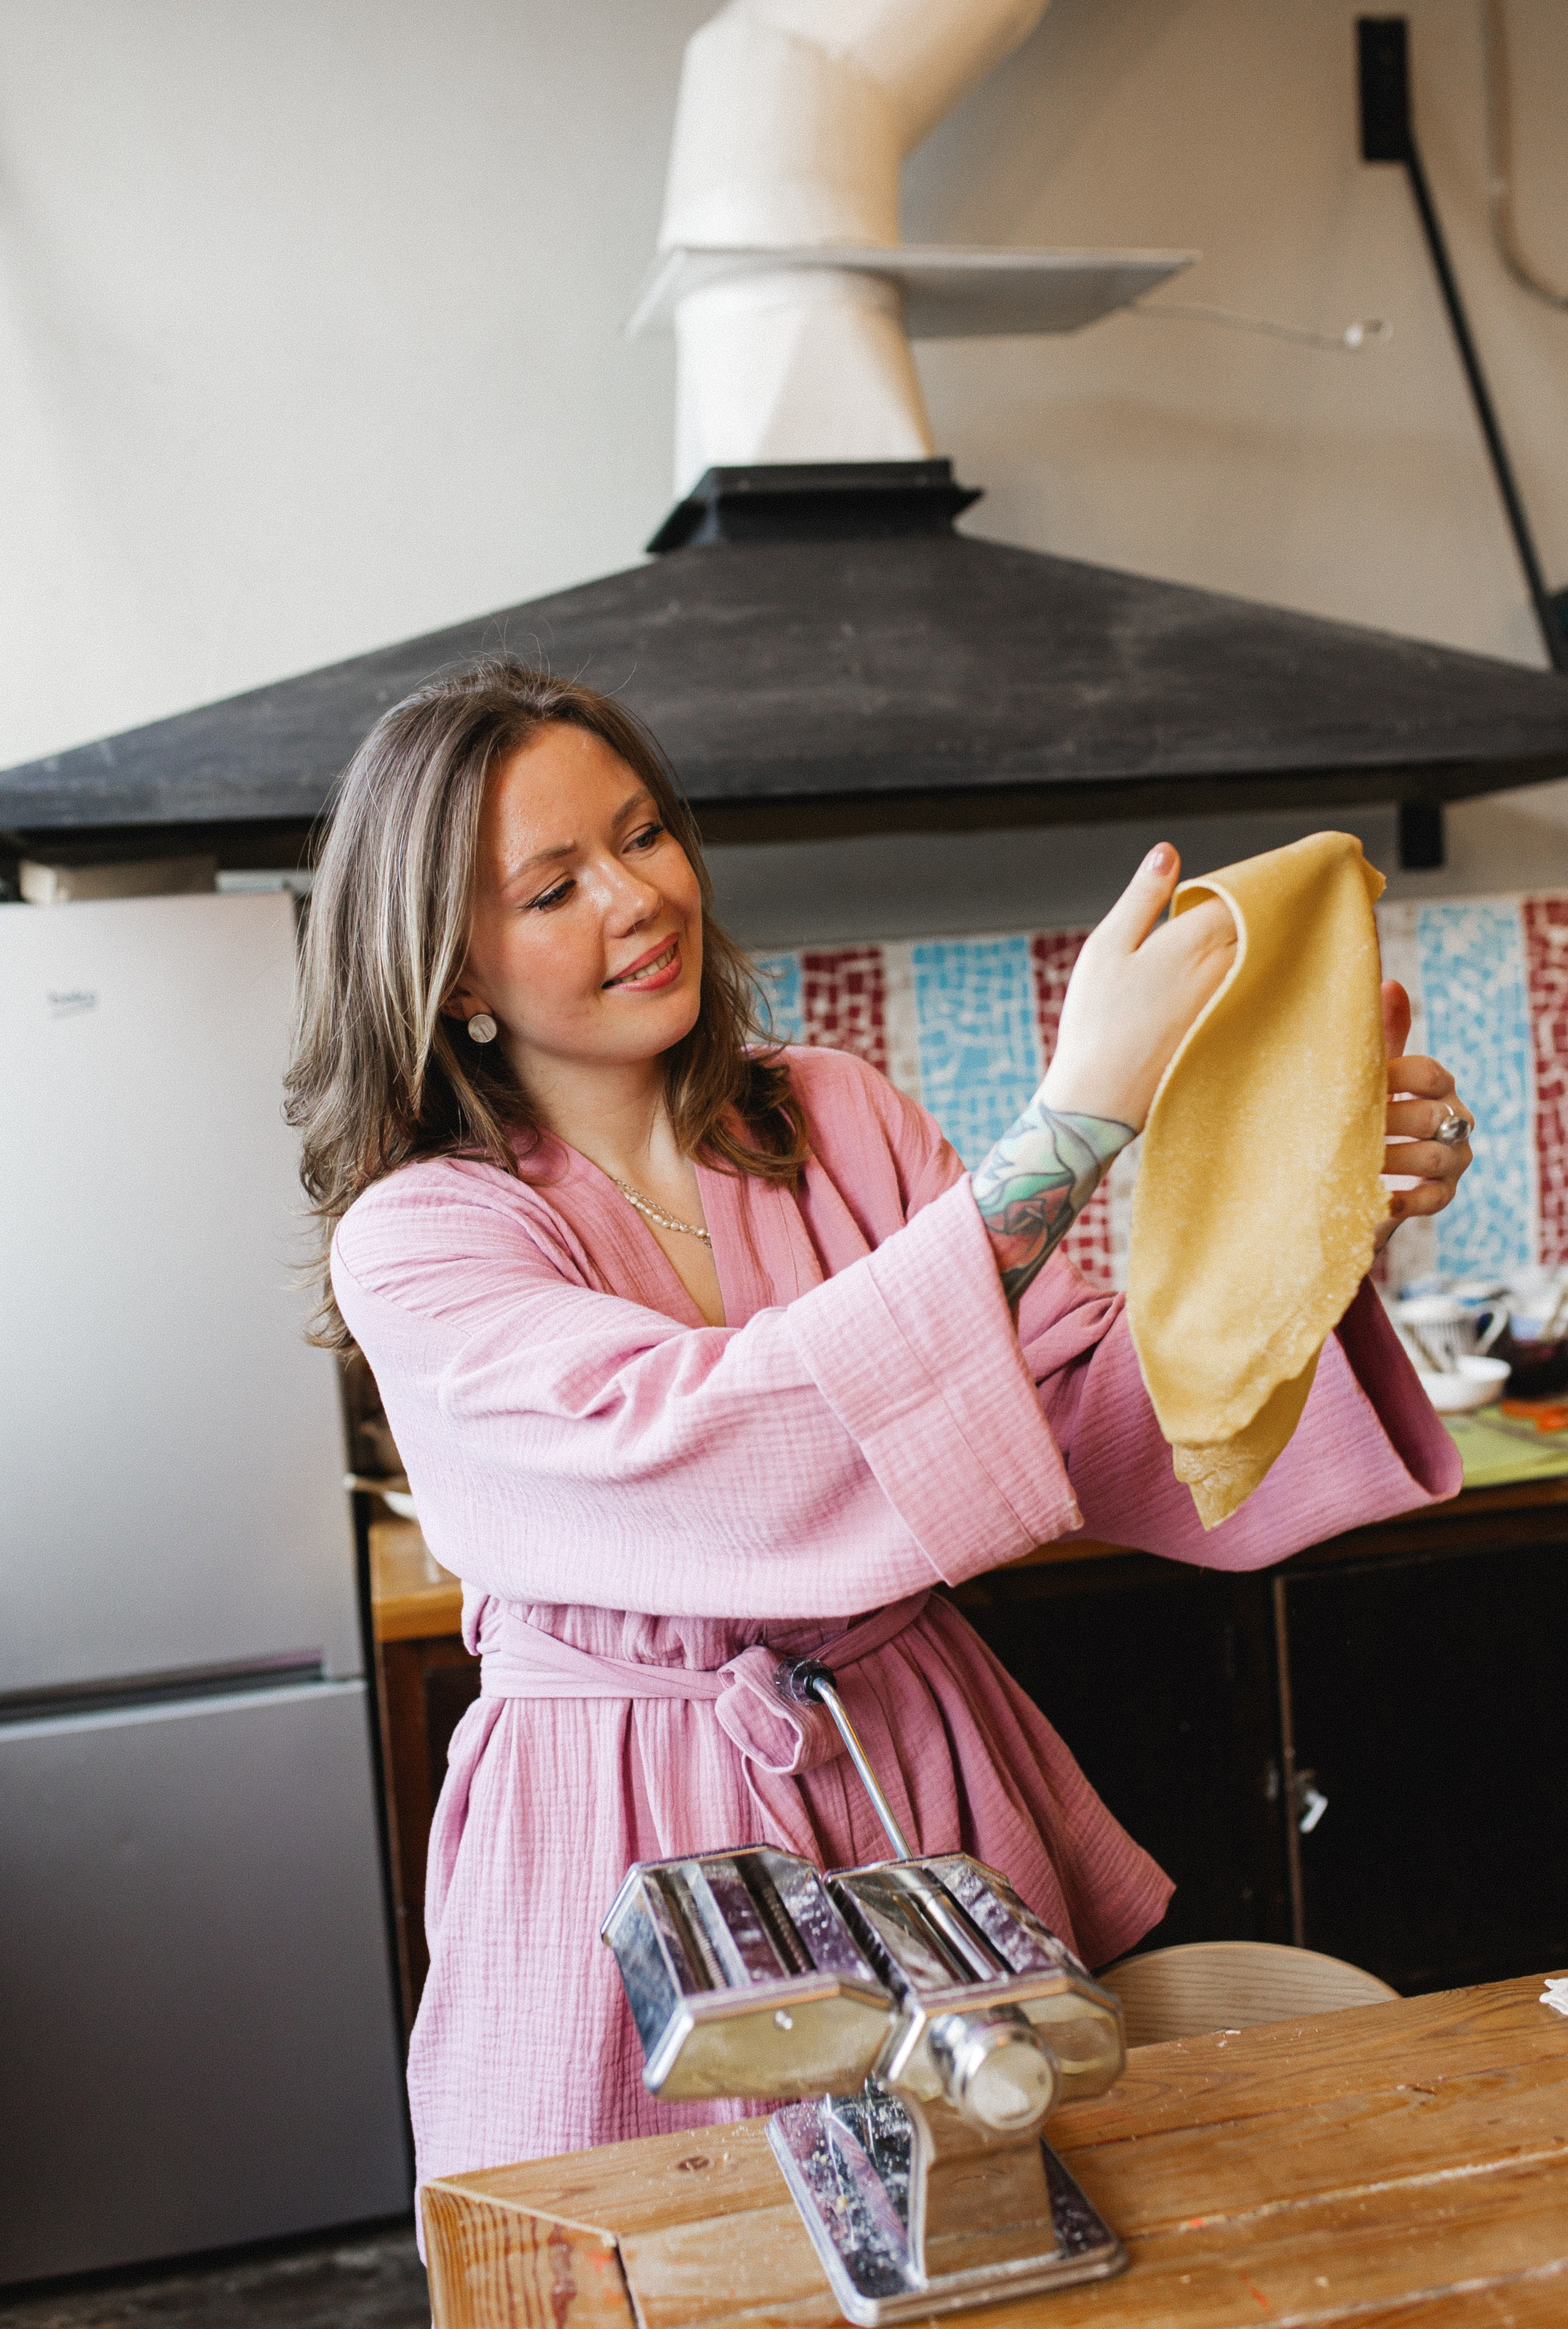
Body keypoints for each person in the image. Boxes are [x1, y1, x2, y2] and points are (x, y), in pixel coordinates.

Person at [286, 659, 1471, 2192]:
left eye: (643, 835)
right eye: (554, 886)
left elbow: (1071, 1406)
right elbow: (710, 1449)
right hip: (616, 1823)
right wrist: (1076, 1119)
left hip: (911, 1768)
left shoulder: (828, 1114)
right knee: (668, 2243)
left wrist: (1313, 1221)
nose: (638, 898)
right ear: (452, 973)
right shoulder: (419, 1238)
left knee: (992, 2211)